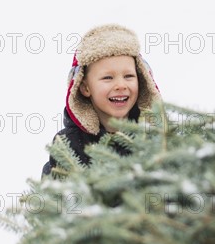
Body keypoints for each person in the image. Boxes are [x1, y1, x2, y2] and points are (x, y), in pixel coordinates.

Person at [42, 24, 162, 177]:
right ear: (85, 87)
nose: (121, 85)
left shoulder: (154, 137)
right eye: (108, 78)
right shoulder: (69, 144)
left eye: (128, 76)